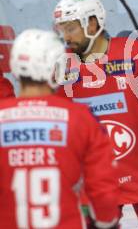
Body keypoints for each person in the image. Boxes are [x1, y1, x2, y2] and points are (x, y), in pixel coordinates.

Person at [53, 0, 138, 228]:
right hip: (96, 176)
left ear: (92, 23)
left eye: (71, 28)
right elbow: (56, 117)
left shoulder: (131, 51)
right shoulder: (62, 65)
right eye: (61, 29)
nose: (65, 36)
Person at [0, 28, 120, 228]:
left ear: (13, 65)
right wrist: (106, 222)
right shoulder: (81, 118)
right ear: (56, 66)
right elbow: (103, 189)